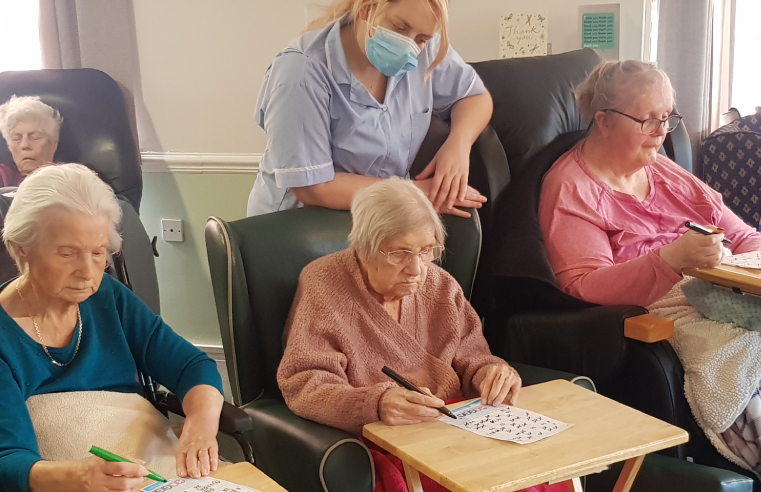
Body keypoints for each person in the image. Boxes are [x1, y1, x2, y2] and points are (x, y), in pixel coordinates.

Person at [539, 60, 761, 476]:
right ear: (603, 121)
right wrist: (672, 260)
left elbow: (745, 237)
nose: (661, 132)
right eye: (647, 120)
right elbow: (583, 286)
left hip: (724, 293)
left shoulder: (663, 170)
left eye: (667, 118)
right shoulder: (573, 188)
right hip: (663, 312)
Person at [278, 178, 563, 492]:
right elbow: (304, 383)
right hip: (388, 434)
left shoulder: (440, 285)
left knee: (539, 472)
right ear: (365, 248)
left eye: (426, 251)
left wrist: (491, 374)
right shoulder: (324, 284)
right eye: (400, 254)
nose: (416, 269)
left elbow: (474, 357)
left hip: (456, 424)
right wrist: (376, 403)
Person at [0, 164, 225, 492]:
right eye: (67, 254)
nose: (87, 272)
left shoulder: (108, 294)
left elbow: (193, 366)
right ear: (22, 247)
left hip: (158, 475)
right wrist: (77, 477)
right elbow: (8, 459)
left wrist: (200, 427)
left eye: (98, 252)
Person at [246, 0, 492, 219]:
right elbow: (312, 188)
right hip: (300, 227)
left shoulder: (425, 46)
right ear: (367, 9)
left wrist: (458, 146)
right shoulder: (300, 72)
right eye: (399, 28)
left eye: (421, 39)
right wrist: (418, 193)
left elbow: (475, 97)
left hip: (380, 218)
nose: (411, 47)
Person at [0, 95, 62, 187]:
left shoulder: (78, 177)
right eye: (16, 138)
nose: (25, 145)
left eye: (35, 137)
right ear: (9, 146)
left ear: (53, 144)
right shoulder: (3, 176)